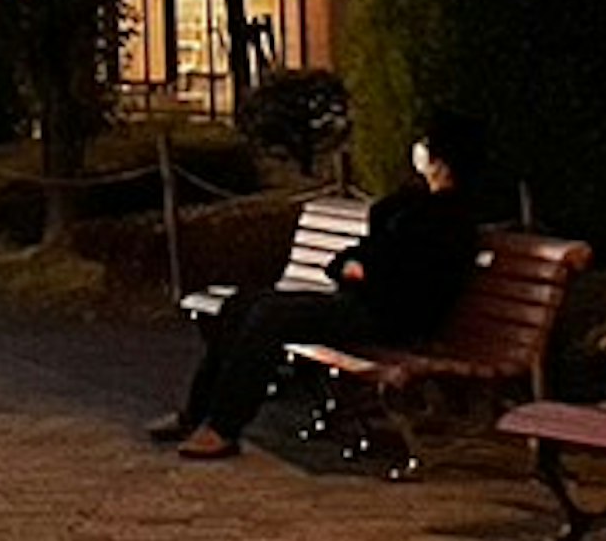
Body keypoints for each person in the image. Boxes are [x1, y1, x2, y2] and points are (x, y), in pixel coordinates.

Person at [161, 110, 492, 463]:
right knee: (242, 305)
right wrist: (356, 267)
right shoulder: (413, 204)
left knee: (270, 315)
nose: (419, 152)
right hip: (360, 304)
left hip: (389, 319)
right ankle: (196, 414)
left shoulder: (449, 220)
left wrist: (362, 269)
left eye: (426, 146)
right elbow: (356, 258)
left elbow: (401, 277)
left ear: (442, 160)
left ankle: (224, 428)